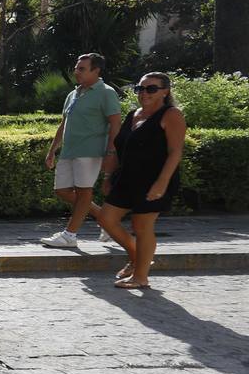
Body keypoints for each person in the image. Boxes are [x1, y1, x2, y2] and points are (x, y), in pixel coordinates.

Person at [96, 73, 186, 289]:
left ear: (165, 91)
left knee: (142, 226)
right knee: (106, 219)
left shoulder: (171, 114)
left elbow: (175, 152)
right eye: (140, 88)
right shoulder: (133, 115)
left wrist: (162, 183)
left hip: (154, 180)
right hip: (126, 178)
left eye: (151, 88)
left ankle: (141, 276)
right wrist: (108, 177)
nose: (144, 93)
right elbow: (119, 149)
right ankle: (138, 257)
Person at [41, 53, 123, 248]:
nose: (76, 71)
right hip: (69, 151)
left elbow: (115, 125)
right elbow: (64, 124)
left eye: (82, 69)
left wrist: (111, 153)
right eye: (77, 68)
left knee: (84, 193)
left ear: (96, 71)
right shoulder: (74, 93)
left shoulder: (106, 92)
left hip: (90, 151)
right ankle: (107, 220)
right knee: (61, 190)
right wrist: (52, 150)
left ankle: (70, 235)